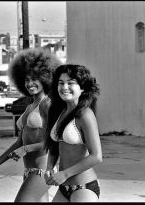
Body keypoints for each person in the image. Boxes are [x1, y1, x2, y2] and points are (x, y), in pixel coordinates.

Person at [0, 48, 62, 202]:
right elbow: (19, 142)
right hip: (28, 171)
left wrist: (26, 148)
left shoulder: (47, 104)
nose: (29, 84)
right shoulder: (30, 107)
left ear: (45, 78)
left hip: (41, 171)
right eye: (26, 80)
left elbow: (55, 140)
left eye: (34, 79)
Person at [44, 64, 102, 202]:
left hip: (84, 187)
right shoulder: (58, 112)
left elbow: (96, 156)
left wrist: (64, 174)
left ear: (82, 88)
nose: (64, 87)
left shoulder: (85, 115)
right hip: (64, 187)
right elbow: (54, 145)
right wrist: (49, 167)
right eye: (61, 83)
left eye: (70, 83)